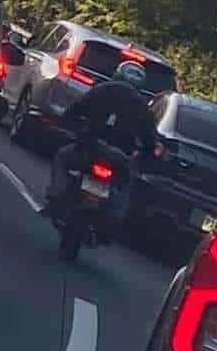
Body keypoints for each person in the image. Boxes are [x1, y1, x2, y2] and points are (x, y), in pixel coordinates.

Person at [45, 60, 161, 226]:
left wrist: (71, 125)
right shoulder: (142, 105)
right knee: (127, 183)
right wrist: (148, 152)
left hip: (91, 147)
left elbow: (75, 110)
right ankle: (115, 218)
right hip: (119, 156)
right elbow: (149, 136)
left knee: (62, 157)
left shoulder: (101, 90)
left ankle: (56, 196)